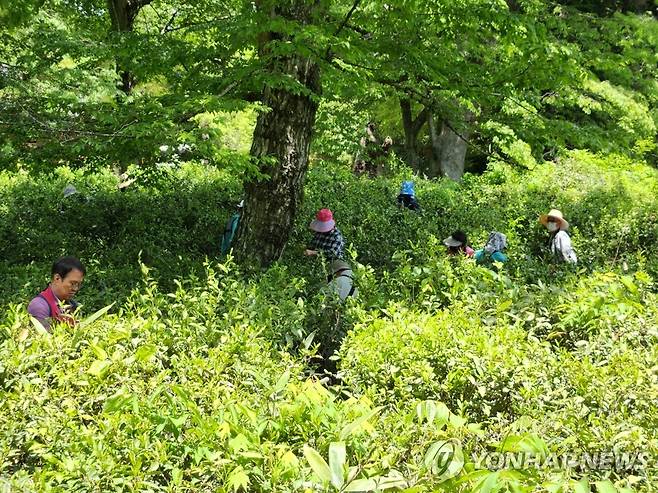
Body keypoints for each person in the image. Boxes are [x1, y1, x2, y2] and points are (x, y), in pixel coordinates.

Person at [27, 256, 85, 331]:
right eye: (73, 283)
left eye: (78, 284)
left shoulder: (74, 305)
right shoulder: (39, 305)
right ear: (57, 278)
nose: (76, 289)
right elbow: (43, 339)